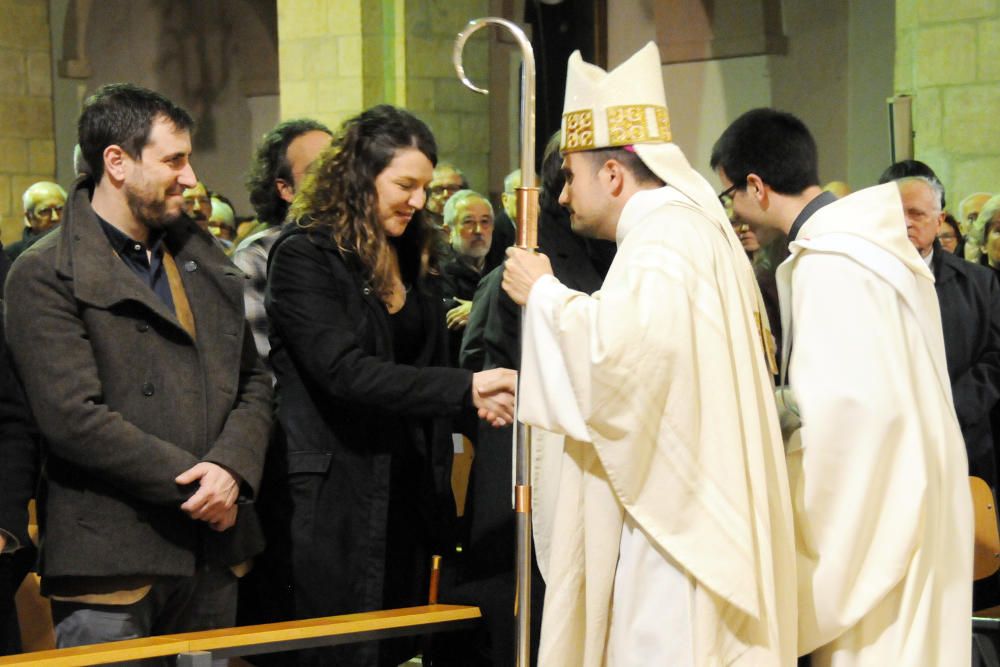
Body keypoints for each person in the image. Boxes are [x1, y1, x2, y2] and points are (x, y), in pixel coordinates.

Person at [502, 43, 796, 665]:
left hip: (679, 523)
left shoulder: (664, 241)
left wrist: (544, 294)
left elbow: (626, 361)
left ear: (612, 175)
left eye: (571, 178)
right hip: (692, 500)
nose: (560, 199)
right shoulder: (690, 231)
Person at [3, 83, 272, 658]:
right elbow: (72, 417)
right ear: (117, 162)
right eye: (173, 159)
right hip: (112, 557)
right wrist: (199, 482)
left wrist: (231, 468)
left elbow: (252, 381)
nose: (191, 177)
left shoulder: (206, 259)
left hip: (212, 546)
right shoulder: (45, 271)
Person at [712, 108, 972, 665]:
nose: (732, 209)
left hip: (879, 517)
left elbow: (848, 417)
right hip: (919, 494)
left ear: (755, 186)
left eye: (728, 193)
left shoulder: (832, 263)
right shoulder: (872, 248)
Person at [264, 104, 516, 667]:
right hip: (332, 496)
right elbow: (343, 371)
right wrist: (464, 388)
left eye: (425, 187)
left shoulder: (412, 251)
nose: (418, 201)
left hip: (405, 487)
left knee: (399, 649)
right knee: (336, 651)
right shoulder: (304, 254)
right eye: (404, 185)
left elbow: (426, 359)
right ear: (357, 177)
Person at [231, 118, 332, 364]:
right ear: (286, 189)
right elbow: (263, 367)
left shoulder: (363, 245)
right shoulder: (257, 257)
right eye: (318, 170)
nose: (335, 178)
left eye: (340, 166)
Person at [440, 189, 494, 365]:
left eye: (485, 222)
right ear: (448, 232)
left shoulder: (502, 271)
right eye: (468, 222)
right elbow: (451, 317)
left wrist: (477, 310)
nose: (479, 230)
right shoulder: (435, 275)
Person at [6, 182, 67, 261]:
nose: (55, 217)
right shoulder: (12, 255)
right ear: (29, 217)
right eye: (45, 211)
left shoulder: (77, 246)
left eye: (60, 209)